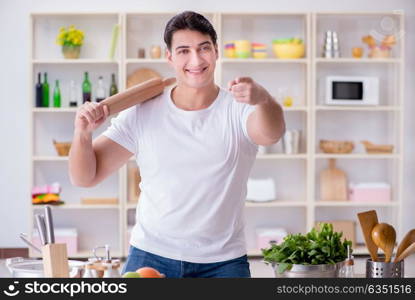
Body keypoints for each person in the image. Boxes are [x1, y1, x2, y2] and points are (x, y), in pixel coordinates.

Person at [68, 11, 285, 278]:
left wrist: (263, 99)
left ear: (216, 52)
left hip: (224, 262)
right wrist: (82, 134)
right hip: (151, 254)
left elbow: (271, 134)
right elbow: (84, 177)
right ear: (169, 57)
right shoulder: (141, 113)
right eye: (184, 51)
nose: (195, 60)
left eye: (203, 48)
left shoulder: (238, 110)